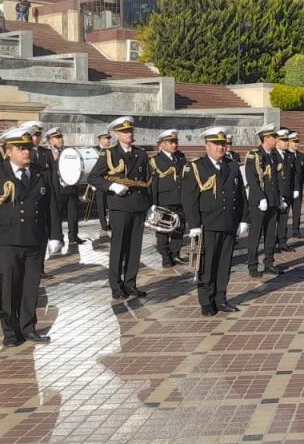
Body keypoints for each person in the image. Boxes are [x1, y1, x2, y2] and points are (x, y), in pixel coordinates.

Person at [0, 128, 62, 346]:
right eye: (21, 149)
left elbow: (51, 206)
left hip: (35, 238)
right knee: (9, 287)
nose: (27, 153)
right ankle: (10, 332)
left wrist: (55, 235)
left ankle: (28, 326)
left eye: (29, 148)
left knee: (31, 286)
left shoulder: (41, 172)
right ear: (9, 151)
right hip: (7, 240)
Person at [182, 127, 248, 316]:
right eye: (217, 144)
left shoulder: (232, 166)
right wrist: (194, 224)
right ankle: (206, 300)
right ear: (207, 145)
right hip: (207, 224)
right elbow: (190, 198)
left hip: (228, 222)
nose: (221, 148)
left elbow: (241, 195)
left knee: (224, 264)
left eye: (223, 144)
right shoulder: (196, 167)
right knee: (207, 264)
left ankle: (221, 298)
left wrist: (244, 218)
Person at [87, 116, 151, 300]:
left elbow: (147, 181)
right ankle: (116, 285)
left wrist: (150, 204)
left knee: (135, 248)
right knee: (118, 247)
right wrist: (112, 187)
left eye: (130, 131)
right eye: (124, 131)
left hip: (138, 206)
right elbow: (93, 177)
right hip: (120, 207)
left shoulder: (141, 154)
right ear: (116, 134)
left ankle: (130, 283)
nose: (128, 134)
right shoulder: (109, 154)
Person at [243, 125, 284, 278]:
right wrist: (261, 197)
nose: (276, 139)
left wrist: (278, 197)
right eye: (274, 137)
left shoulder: (273, 155)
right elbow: (252, 179)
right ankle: (252, 266)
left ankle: (269, 263)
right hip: (259, 202)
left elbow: (275, 179)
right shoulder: (254, 155)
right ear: (266, 138)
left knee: (270, 234)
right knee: (255, 235)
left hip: (272, 201)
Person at [150, 129, 188, 265]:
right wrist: (153, 203)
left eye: (175, 142)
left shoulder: (180, 157)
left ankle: (175, 253)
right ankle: (165, 257)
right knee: (163, 230)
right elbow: (153, 184)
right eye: (171, 142)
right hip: (164, 200)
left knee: (180, 227)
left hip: (180, 198)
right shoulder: (155, 160)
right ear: (162, 144)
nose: (174, 145)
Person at [45, 127, 85, 247]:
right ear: (50, 140)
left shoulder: (68, 152)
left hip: (70, 188)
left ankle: (73, 236)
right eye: (57, 138)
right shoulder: (46, 154)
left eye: (61, 137)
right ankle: (58, 237)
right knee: (56, 215)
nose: (60, 140)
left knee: (73, 214)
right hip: (56, 189)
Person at [272, 129, 294, 252]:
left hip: (287, 192)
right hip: (276, 192)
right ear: (277, 141)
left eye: (287, 140)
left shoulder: (289, 155)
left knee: (284, 219)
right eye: (284, 140)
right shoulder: (273, 154)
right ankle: (272, 243)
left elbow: (293, 175)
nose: (287, 143)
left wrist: (295, 189)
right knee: (273, 220)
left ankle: (282, 242)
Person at [286, 131, 304, 238]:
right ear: (289, 142)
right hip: (288, 188)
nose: (296, 144)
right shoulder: (285, 154)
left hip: (299, 187)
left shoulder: (300, 155)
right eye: (294, 142)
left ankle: (296, 231)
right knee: (285, 212)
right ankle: (282, 233)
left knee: (297, 211)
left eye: (297, 142)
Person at [93, 131, 112, 232]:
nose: (109, 140)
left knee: (111, 201)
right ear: (100, 139)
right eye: (106, 138)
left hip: (109, 180)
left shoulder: (111, 150)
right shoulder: (94, 151)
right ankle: (103, 224)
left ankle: (111, 223)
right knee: (101, 203)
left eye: (109, 138)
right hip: (99, 181)